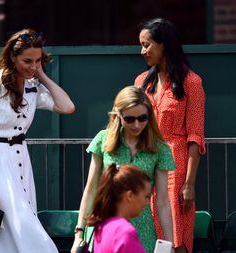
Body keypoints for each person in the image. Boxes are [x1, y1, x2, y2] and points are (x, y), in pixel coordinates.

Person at [0, 29, 75, 253]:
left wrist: (41, 76)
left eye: (38, 60)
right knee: (12, 227)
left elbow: (67, 107)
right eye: (27, 61)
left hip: (21, 159)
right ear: (13, 57)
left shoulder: (33, 85)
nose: (33, 66)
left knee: (18, 224)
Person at [71, 86, 175, 253]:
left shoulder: (160, 148)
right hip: (105, 227)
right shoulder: (103, 140)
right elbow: (91, 190)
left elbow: (162, 201)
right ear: (118, 115)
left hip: (142, 229)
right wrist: (79, 234)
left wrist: (170, 244)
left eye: (142, 118)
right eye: (129, 119)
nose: (137, 124)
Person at [134, 18, 205, 253]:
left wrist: (190, 184)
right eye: (141, 45)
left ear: (164, 44)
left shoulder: (191, 82)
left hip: (176, 166)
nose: (142, 51)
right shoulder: (141, 83)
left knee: (176, 237)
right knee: (147, 233)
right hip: (145, 164)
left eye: (147, 45)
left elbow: (195, 136)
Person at [86, 164, 151, 253]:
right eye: (146, 196)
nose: (147, 203)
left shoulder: (101, 226)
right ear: (130, 196)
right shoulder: (125, 231)